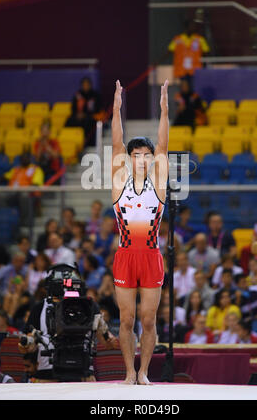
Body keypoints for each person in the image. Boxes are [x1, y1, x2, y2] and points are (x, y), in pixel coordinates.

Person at [111, 79, 169, 385]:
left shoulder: (158, 184)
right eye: (137, 155)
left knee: (148, 319)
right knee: (126, 319)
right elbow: (118, 143)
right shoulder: (118, 180)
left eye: (146, 155)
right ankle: (129, 371)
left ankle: (144, 370)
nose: (142, 159)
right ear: (130, 159)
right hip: (125, 257)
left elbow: (163, 146)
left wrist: (164, 109)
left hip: (150, 257)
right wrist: (117, 108)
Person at [65, 76, 103, 147]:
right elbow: (73, 108)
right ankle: (70, 142)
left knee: (88, 122)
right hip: (78, 117)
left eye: (87, 84)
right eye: (84, 85)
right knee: (69, 121)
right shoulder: (78, 95)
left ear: (90, 85)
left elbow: (98, 109)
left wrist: (86, 115)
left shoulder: (95, 95)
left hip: (91, 117)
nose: (85, 86)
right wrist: (77, 114)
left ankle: (87, 142)